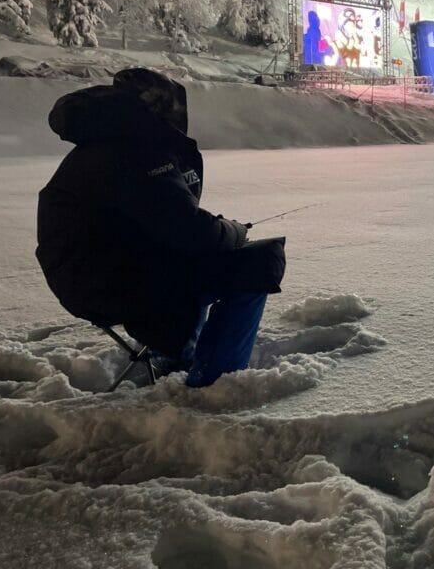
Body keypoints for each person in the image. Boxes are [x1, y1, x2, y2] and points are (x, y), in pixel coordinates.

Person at [36, 69, 286, 388]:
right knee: (260, 261)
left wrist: (216, 232)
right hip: (109, 283)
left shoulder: (109, 145)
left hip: (91, 275)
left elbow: (166, 220)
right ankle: (217, 382)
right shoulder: (138, 151)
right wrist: (234, 231)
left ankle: (180, 349)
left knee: (202, 262)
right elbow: (192, 232)